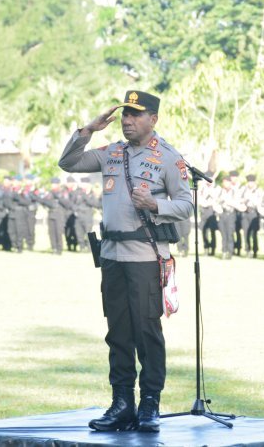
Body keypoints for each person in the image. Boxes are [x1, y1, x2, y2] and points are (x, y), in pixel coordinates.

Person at [59, 90, 193, 433]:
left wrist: (155, 204)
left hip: (146, 257)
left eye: (135, 114)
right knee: (117, 332)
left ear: (154, 119)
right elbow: (69, 163)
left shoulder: (168, 158)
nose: (128, 121)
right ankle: (122, 403)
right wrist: (88, 130)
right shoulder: (111, 153)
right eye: (124, 115)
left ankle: (150, 403)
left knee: (147, 331)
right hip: (112, 256)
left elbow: (186, 204)